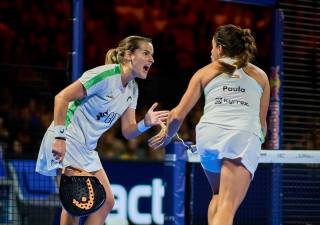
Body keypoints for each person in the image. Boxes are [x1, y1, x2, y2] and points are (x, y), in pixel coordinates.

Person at [36, 35, 168, 225]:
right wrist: (59, 137)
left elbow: (128, 131)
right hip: (68, 138)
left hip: (87, 149)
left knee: (107, 201)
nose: (151, 59)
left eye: (152, 55)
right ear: (130, 55)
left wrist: (145, 123)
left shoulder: (133, 89)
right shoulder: (104, 75)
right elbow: (61, 98)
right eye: (146, 53)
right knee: (75, 205)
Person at [149, 24, 270, 225]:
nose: (210, 51)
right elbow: (262, 124)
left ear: (221, 49)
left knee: (218, 196)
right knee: (227, 206)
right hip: (241, 138)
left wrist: (168, 135)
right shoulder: (260, 76)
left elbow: (177, 115)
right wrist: (257, 142)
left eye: (212, 47)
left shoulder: (205, 71)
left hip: (208, 137)